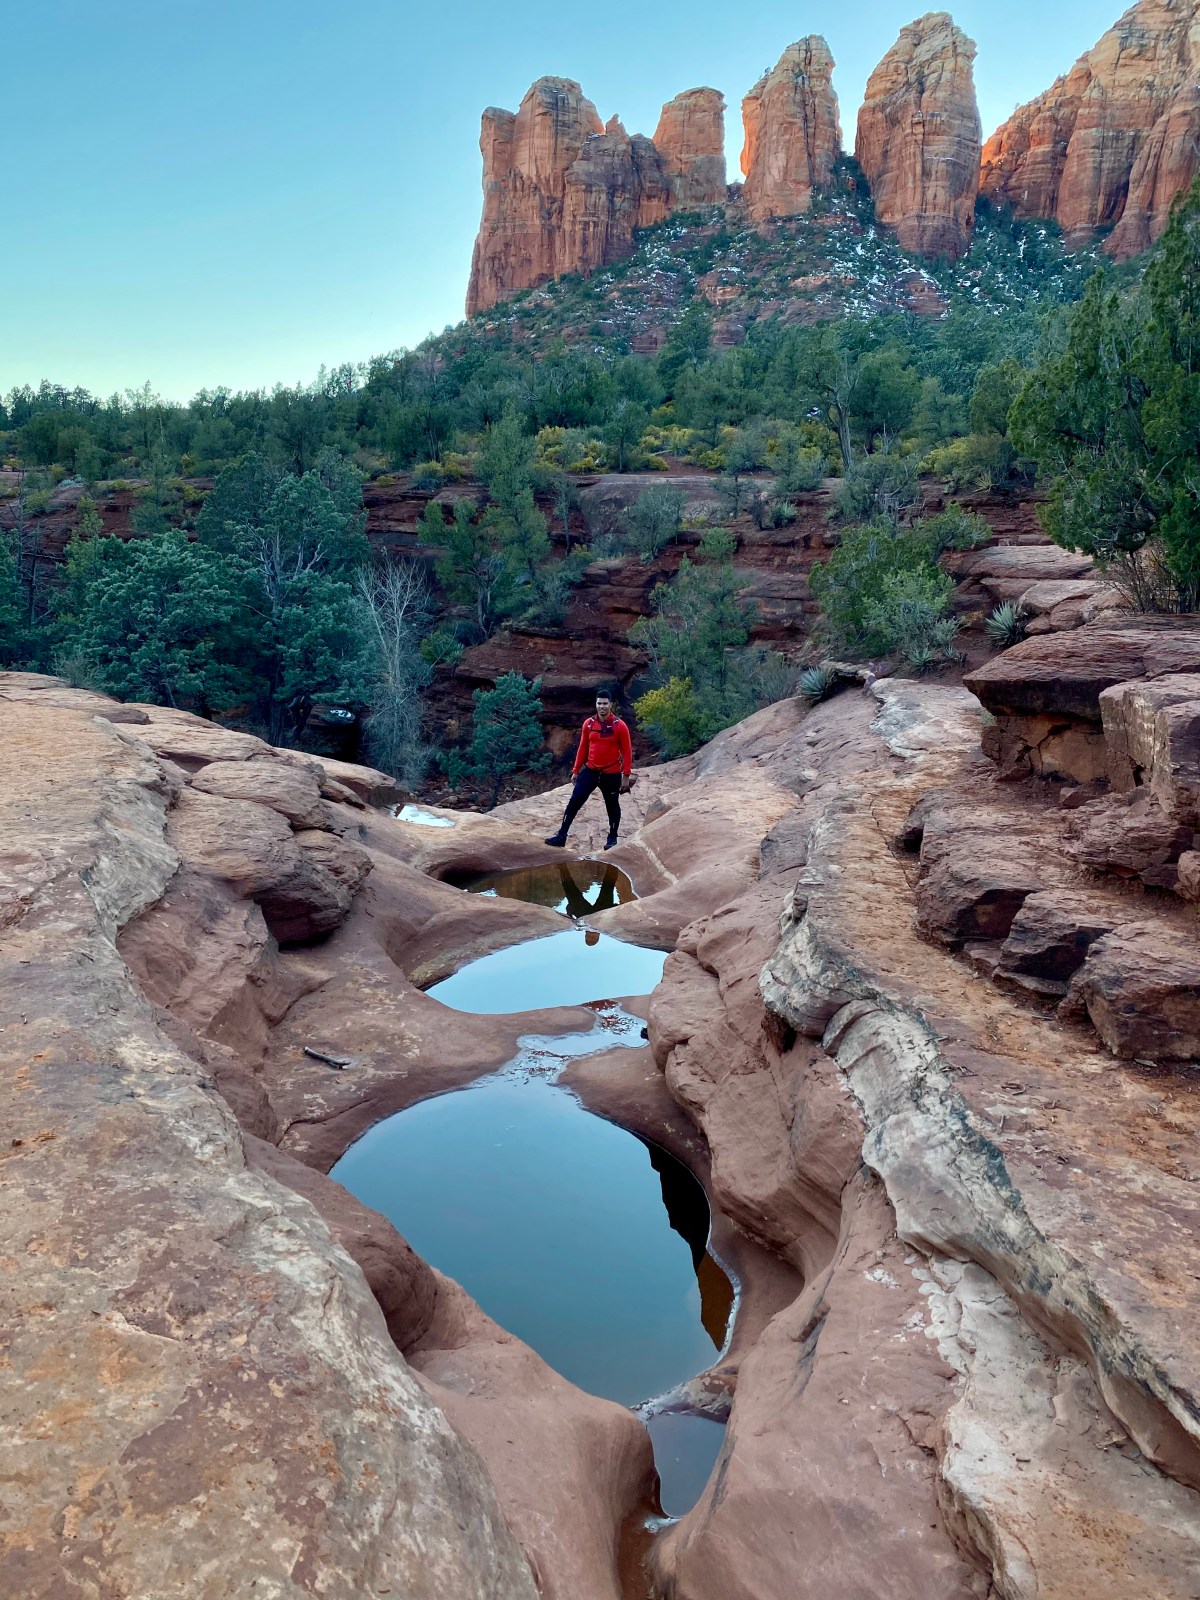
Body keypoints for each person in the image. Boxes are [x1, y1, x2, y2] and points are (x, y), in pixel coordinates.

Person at [544, 692, 633, 851]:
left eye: (605, 703)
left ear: (610, 705)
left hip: (611, 773)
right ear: (596, 704)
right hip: (590, 771)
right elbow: (583, 747)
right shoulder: (589, 724)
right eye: (599, 703)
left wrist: (625, 776)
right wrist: (576, 770)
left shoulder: (620, 726)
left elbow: (627, 752)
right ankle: (561, 835)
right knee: (575, 801)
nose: (602, 706)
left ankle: (612, 838)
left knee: (612, 805)